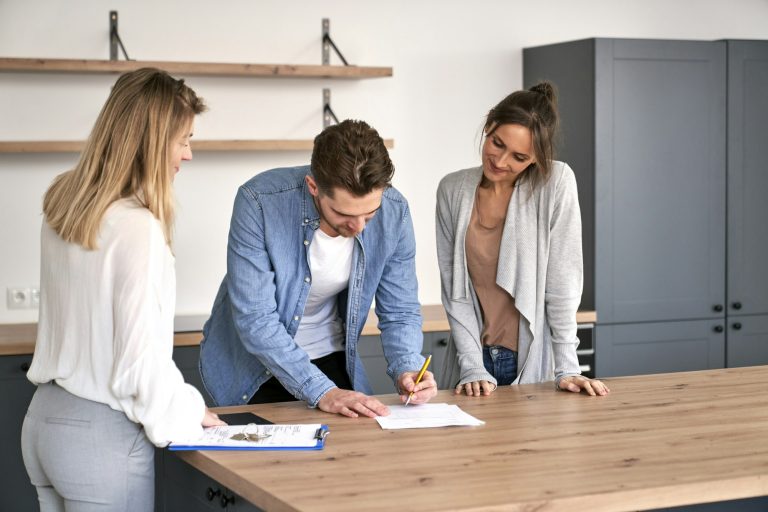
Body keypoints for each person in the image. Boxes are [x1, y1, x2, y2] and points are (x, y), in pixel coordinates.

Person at [21, 68, 225, 512]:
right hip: (99, 439)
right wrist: (189, 411)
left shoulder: (64, 206)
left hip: (43, 423)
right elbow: (140, 366)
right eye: (183, 140)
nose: (188, 155)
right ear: (153, 143)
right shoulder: (138, 227)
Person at [200, 119, 437, 417]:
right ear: (314, 187)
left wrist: (408, 367)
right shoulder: (259, 201)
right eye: (343, 213)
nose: (358, 227)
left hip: (330, 352)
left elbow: (400, 308)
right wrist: (322, 390)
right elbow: (256, 318)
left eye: (370, 213)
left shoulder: (395, 210)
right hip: (256, 363)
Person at [435, 82, 610, 397]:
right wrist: (472, 365)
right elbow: (455, 292)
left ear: (535, 159)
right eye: (497, 143)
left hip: (530, 365)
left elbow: (562, 286)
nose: (501, 162)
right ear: (489, 126)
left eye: (518, 156)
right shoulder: (453, 189)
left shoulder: (555, 183)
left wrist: (568, 367)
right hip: (471, 366)